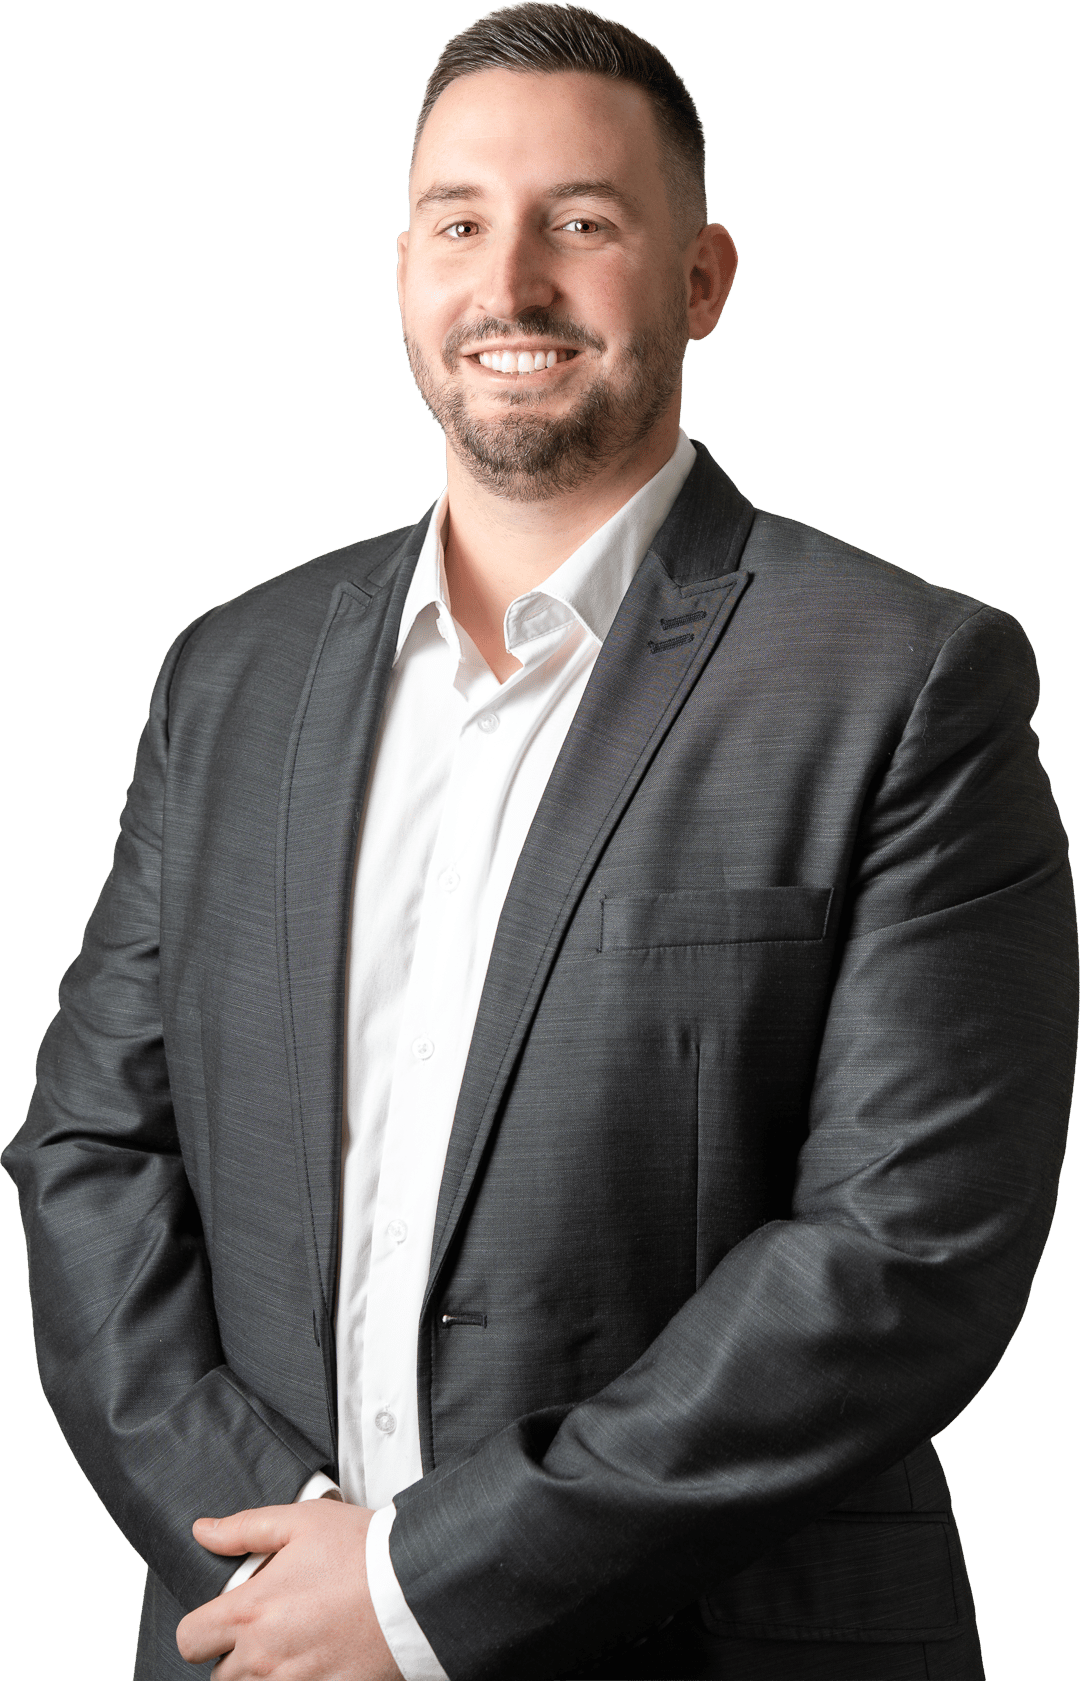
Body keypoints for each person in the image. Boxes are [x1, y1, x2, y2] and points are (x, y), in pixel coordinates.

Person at [4, 4, 1076, 1678]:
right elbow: (90, 1153)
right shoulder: (232, 672)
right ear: (409, 271)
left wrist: (420, 1586)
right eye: (458, 224)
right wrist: (279, 1558)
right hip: (255, 1641)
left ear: (704, 280)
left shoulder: (903, 680)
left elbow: (901, 1253)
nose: (510, 284)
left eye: (581, 221)